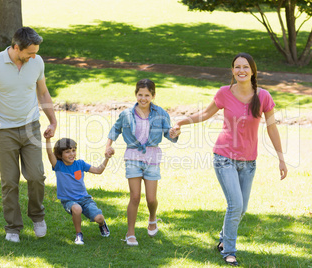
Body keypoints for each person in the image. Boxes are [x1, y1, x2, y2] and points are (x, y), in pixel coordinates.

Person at [170, 53, 288, 266]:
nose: (241, 70)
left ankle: (224, 238)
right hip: (224, 157)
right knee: (235, 205)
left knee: (242, 208)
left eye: (245, 67)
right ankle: (229, 251)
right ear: (233, 71)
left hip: (249, 162)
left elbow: (272, 127)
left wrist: (281, 158)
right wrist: (181, 122)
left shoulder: (264, 97)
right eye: (237, 67)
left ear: (252, 70)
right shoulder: (225, 93)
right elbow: (204, 114)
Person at [0, 27, 57, 243]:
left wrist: (53, 120)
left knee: (36, 176)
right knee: (10, 182)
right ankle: (13, 228)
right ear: (17, 48)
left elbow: (43, 92)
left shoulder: (37, 62)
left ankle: (37, 216)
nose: (34, 56)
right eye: (30, 52)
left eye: (36, 51)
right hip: (4, 130)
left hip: (31, 127)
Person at [106, 78, 179, 246]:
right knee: (135, 196)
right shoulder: (126, 114)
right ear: (136, 94)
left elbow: (168, 133)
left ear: (153, 95)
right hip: (133, 157)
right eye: (140, 95)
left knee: (151, 199)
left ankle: (152, 218)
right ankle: (130, 233)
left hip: (152, 157)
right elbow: (115, 129)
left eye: (147, 95)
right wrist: (108, 146)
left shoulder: (160, 113)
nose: (143, 98)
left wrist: (174, 133)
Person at [45, 137, 114, 245]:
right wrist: (48, 139)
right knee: (77, 209)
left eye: (73, 150)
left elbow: (98, 170)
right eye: (67, 152)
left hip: (85, 199)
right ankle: (79, 234)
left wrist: (106, 158)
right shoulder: (58, 166)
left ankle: (102, 224)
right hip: (68, 200)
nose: (71, 154)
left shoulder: (80, 164)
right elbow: (49, 154)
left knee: (99, 218)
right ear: (59, 155)